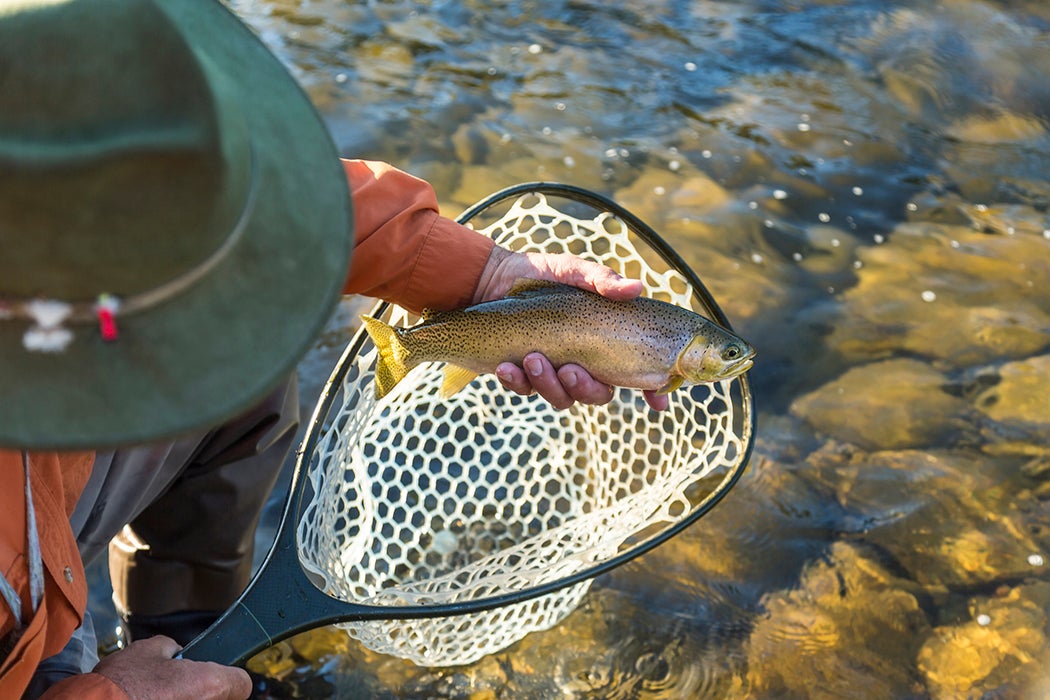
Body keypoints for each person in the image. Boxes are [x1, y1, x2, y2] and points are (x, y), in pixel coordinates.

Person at [0, 1, 666, 699]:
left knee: (237, 355)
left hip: (38, 493)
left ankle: (193, 637)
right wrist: (117, 696)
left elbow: (264, 205)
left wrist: (485, 276)